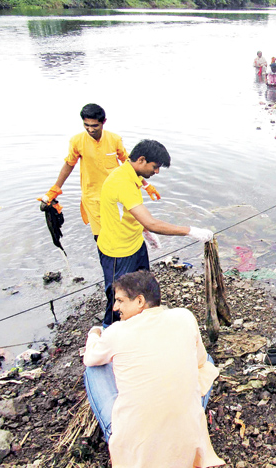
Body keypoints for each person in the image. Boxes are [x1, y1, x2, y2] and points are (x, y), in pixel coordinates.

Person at [83, 270, 224, 468]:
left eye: (121, 301)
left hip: (138, 444)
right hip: (187, 435)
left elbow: (90, 358)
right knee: (206, 360)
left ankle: (120, 435)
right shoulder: (184, 317)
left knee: (92, 368)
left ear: (140, 301)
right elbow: (201, 362)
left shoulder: (116, 332)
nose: (115, 307)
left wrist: (94, 333)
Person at [96, 139, 213, 327]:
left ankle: (139, 322)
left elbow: (127, 212)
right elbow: (151, 222)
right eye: (155, 167)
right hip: (118, 251)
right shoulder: (122, 182)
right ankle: (109, 332)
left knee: (142, 287)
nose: (156, 172)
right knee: (119, 297)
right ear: (141, 160)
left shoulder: (130, 175)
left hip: (134, 244)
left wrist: (143, 232)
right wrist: (190, 231)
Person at [39, 104, 162, 241]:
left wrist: (144, 184)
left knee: (124, 229)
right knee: (101, 237)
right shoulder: (77, 141)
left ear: (103, 122)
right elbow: (69, 164)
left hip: (116, 193)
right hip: (92, 196)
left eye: (95, 126)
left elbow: (129, 164)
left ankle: (141, 243)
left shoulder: (114, 139)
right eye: (86, 125)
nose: (90, 129)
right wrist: (55, 189)